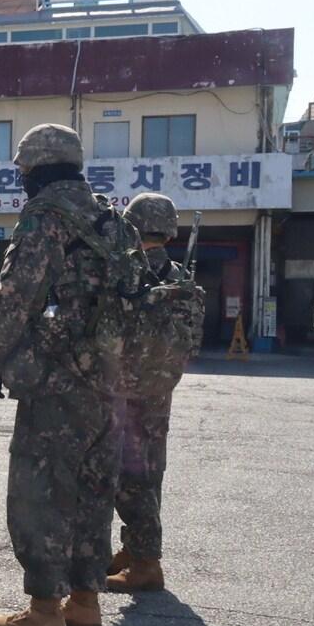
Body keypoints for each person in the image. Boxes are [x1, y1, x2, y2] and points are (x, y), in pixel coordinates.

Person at [0, 123, 122, 626]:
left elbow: (16, 294)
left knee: (40, 490)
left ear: (35, 167)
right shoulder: (110, 217)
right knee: (92, 487)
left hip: (56, 379)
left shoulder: (45, 217)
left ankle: (44, 609)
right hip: (108, 379)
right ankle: (85, 603)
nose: (22, 179)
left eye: (23, 170)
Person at [107, 193, 205, 593]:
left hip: (120, 387)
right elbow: (192, 344)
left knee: (125, 474)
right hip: (160, 388)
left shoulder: (124, 272)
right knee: (150, 470)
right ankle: (135, 549)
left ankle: (147, 562)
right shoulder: (183, 278)